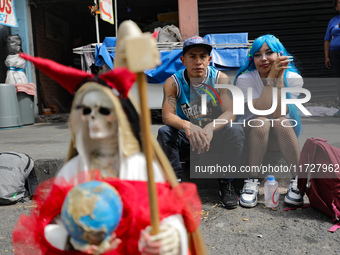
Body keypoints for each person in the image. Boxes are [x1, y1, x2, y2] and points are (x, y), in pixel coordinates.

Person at [12, 54, 202, 255]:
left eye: (104, 110)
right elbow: (51, 225)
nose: (93, 116)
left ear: (122, 117)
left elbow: (168, 214)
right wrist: (70, 239)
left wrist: (171, 236)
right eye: (85, 110)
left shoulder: (142, 166)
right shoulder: (73, 170)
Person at [157, 36, 245, 209]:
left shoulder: (220, 79)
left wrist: (211, 127)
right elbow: (167, 116)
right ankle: (176, 186)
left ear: (209, 59)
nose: (198, 61)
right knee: (164, 133)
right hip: (189, 136)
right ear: (183, 60)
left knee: (235, 130)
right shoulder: (173, 82)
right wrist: (188, 125)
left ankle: (227, 183)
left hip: (214, 134)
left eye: (203, 56)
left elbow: (230, 112)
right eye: (192, 56)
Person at [234, 34, 303, 208]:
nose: (263, 58)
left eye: (269, 53)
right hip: (254, 135)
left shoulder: (293, 78)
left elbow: (279, 112)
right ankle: (251, 180)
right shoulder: (245, 79)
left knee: (280, 121)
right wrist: (271, 78)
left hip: (281, 135)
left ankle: (298, 181)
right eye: (257, 54)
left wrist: (278, 78)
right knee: (261, 122)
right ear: (253, 59)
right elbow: (262, 110)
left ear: (280, 55)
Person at [324, 0, 340, 117]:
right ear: (336, 7)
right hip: (335, 54)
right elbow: (327, 39)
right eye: (339, 2)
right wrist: (327, 56)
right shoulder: (333, 21)